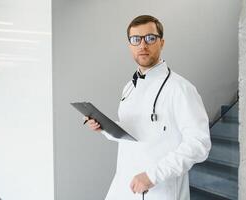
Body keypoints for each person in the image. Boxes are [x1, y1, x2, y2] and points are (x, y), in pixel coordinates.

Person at [84, 15, 211, 200]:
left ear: (162, 42)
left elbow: (199, 143)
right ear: (130, 45)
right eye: (136, 39)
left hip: (160, 191)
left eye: (150, 38)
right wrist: (103, 128)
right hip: (124, 186)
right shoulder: (129, 87)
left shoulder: (181, 89)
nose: (142, 45)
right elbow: (133, 133)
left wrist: (153, 175)